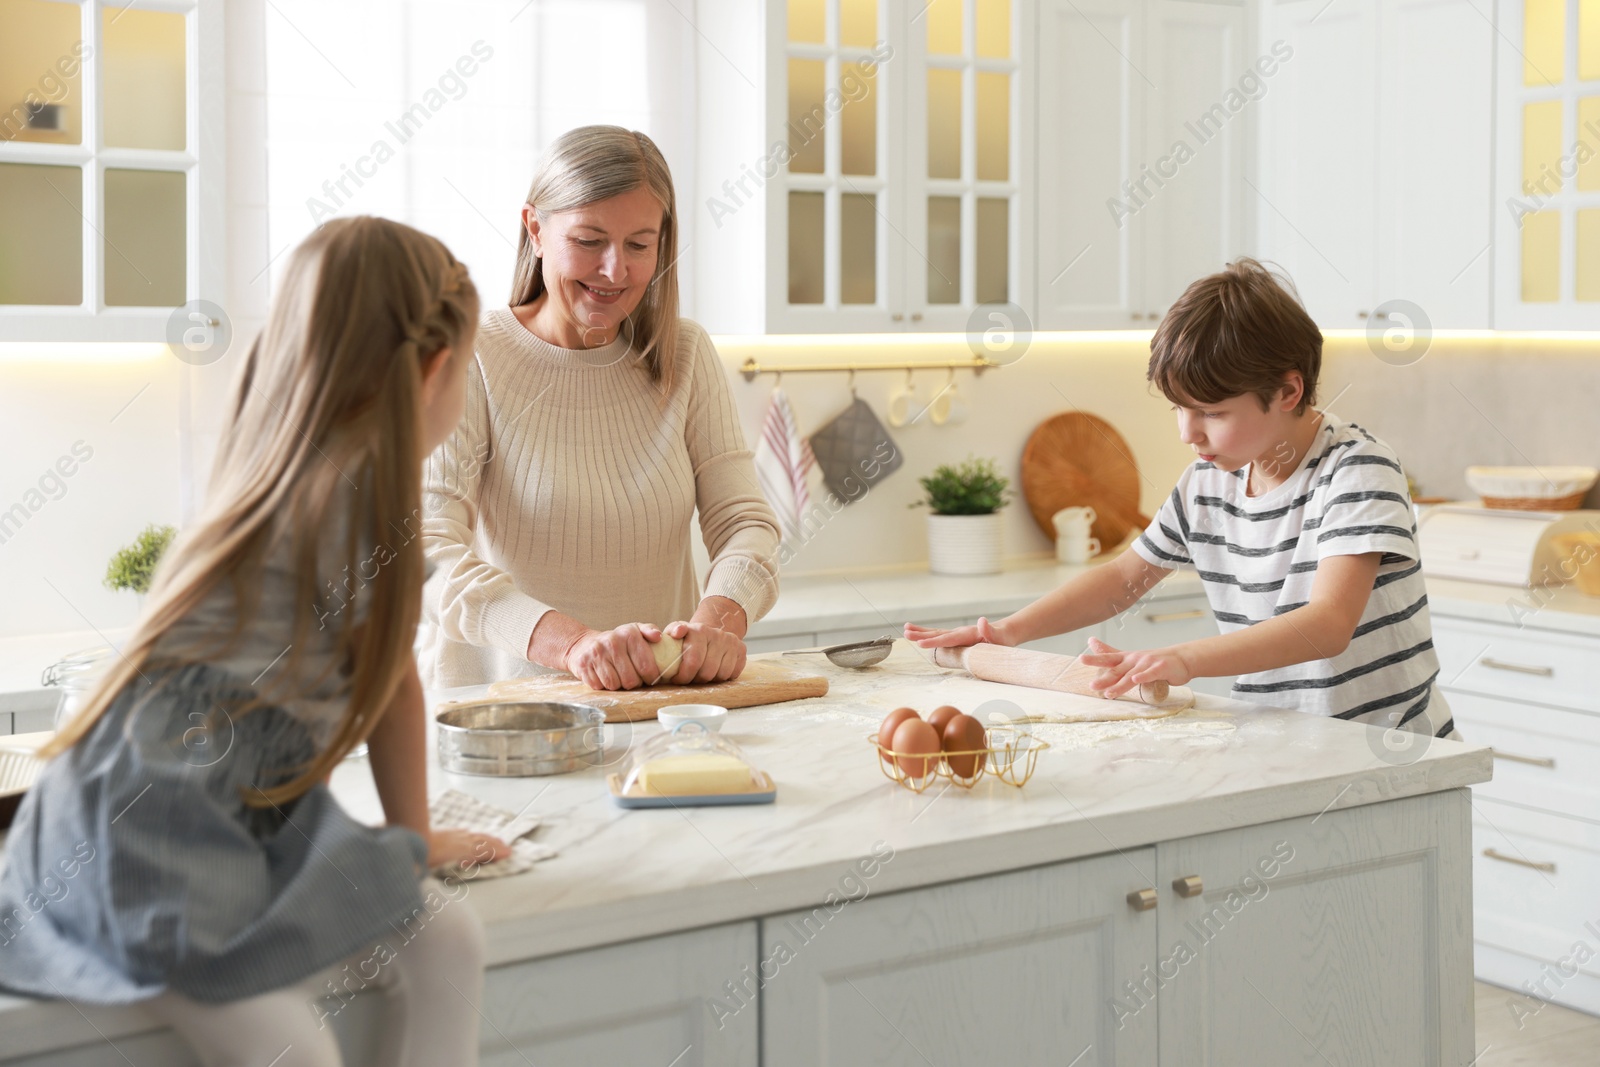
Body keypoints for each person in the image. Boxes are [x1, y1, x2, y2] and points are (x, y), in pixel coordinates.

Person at [0, 217, 509, 1066]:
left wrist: (410, 849)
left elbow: (384, 687)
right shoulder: (359, 505)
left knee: (446, 938)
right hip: (151, 827)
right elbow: (395, 689)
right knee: (290, 1045)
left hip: (232, 804)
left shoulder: (272, 468)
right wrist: (410, 844)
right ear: (434, 372)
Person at [908, 258, 1455, 740]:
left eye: (1211, 413)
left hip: (1389, 752)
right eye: (1177, 408)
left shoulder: (1356, 470)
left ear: (1288, 392)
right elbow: (1125, 579)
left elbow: (1326, 624)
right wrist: (1008, 632)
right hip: (1281, 743)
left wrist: (1183, 659)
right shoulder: (1207, 482)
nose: (1186, 433)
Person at [417, 125, 781, 691]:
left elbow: (745, 525)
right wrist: (574, 646)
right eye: (589, 241)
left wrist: (715, 625)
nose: (616, 271)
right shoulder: (474, 355)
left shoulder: (684, 355)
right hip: (508, 715)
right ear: (535, 229)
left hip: (661, 711)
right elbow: (426, 551)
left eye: (639, 244)